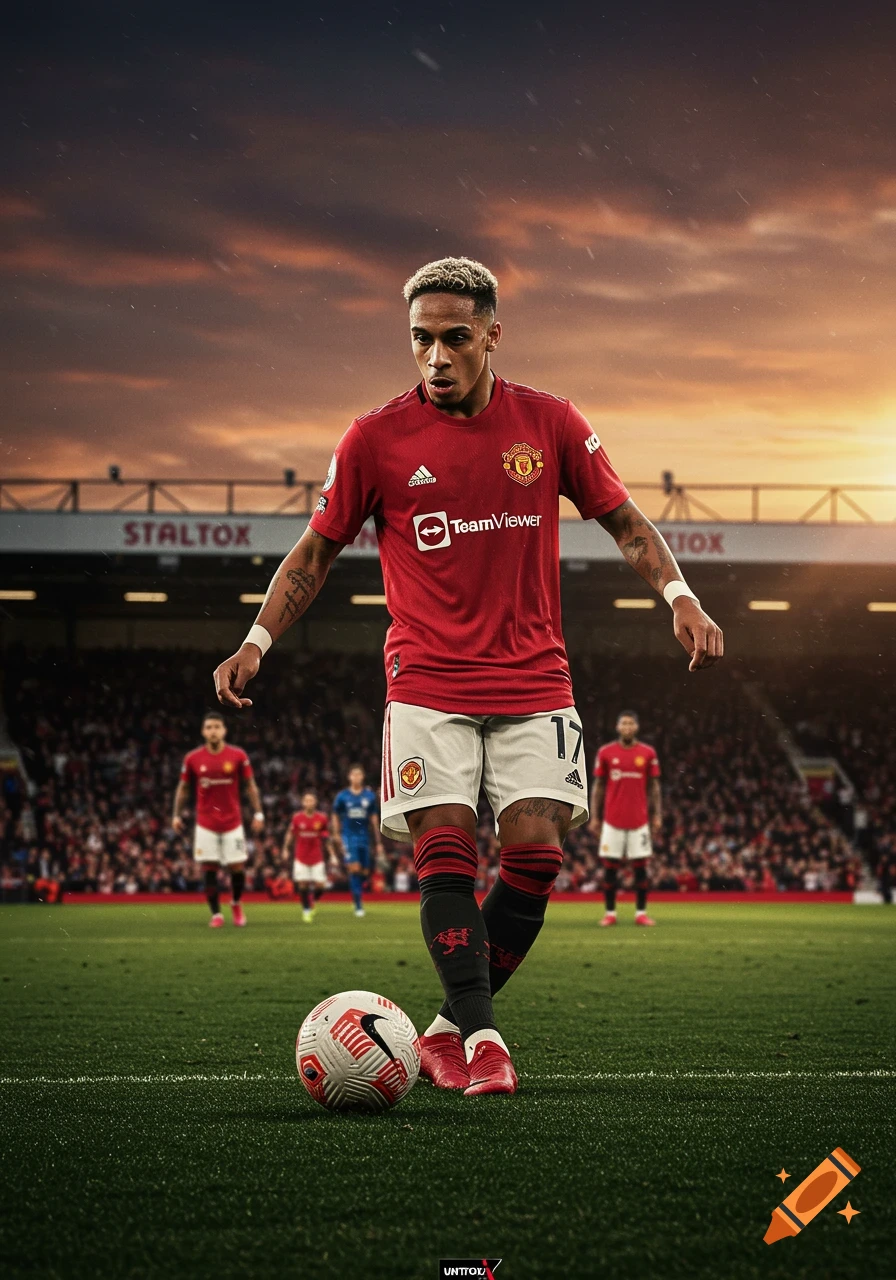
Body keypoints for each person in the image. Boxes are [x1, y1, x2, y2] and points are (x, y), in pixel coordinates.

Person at [214, 256, 723, 1096]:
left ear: (493, 333)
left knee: (535, 858)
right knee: (444, 854)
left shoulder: (550, 423)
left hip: (534, 680)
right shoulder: (374, 438)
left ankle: (445, 1029)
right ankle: (483, 1037)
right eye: (421, 340)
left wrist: (680, 596)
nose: (436, 358)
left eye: (455, 338)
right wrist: (256, 640)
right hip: (426, 682)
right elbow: (313, 552)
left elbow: (626, 521)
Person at [172, 711, 264, 927]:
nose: (213, 731)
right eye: (209, 727)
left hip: (233, 822)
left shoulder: (238, 756)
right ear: (203, 732)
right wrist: (176, 815)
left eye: (217, 727)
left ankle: (236, 903)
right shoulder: (193, 758)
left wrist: (259, 813)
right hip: (206, 824)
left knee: (237, 867)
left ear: (224, 730)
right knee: (209, 869)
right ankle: (216, 915)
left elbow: (250, 786)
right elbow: (183, 788)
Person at [589, 711, 662, 927]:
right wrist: (595, 817)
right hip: (612, 821)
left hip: (640, 821)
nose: (627, 727)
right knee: (610, 868)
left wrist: (657, 815)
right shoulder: (606, 752)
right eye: (624, 723)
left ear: (636, 727)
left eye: (631, 723)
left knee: (641, 868)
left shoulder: (647, 753)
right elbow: (599, 787)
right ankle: (610, 913)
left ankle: (641, 913)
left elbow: (654, 787)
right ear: (618, 727)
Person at [331, 765, 383, 917]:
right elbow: (335, 814)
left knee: (365, 870)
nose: (356, 777)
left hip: (364, 837)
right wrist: (336, 833)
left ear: (362, 777)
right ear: (349, 777)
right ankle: (358, 903)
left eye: (359, 775)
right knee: (354, 868)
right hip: (348, 836)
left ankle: (359, 890)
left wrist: (378, 842)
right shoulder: (342, 796)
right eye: (353, 775)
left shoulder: (369, 796)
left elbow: (374, 819)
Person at [284, 789, 333, 921]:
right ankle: (306, 910)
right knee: (303, 885)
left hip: (317, 856)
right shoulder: (297, 818)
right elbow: (291, 833)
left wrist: (332, 855)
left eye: (311, 800)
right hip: (301, 856)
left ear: (315, 802)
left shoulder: (321, 818)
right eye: (306, 800)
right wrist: (285, 849)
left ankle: (312, 900)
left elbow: (326, 838)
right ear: (302, 803)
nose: (309, 803)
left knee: (320, 885)